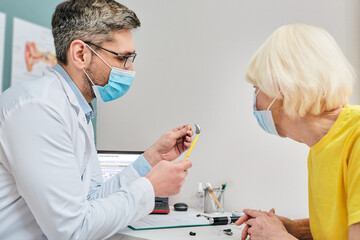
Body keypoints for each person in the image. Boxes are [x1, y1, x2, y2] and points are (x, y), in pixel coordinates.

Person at [0, 0, 193, 239]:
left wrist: (151, 159)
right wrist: (150, 187)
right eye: (123, 58)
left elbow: (91, 199)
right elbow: (72, 230)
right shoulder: (38, 109)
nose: (130, 70)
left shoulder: (79, 111)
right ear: (80, 54)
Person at [235, 23, 360, 239]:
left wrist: (278, 237)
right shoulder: (321, 146)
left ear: (282, 87)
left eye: (256, 88)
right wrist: (295, 229)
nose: (255, 101)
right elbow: (341, 227)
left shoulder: (356, 139)